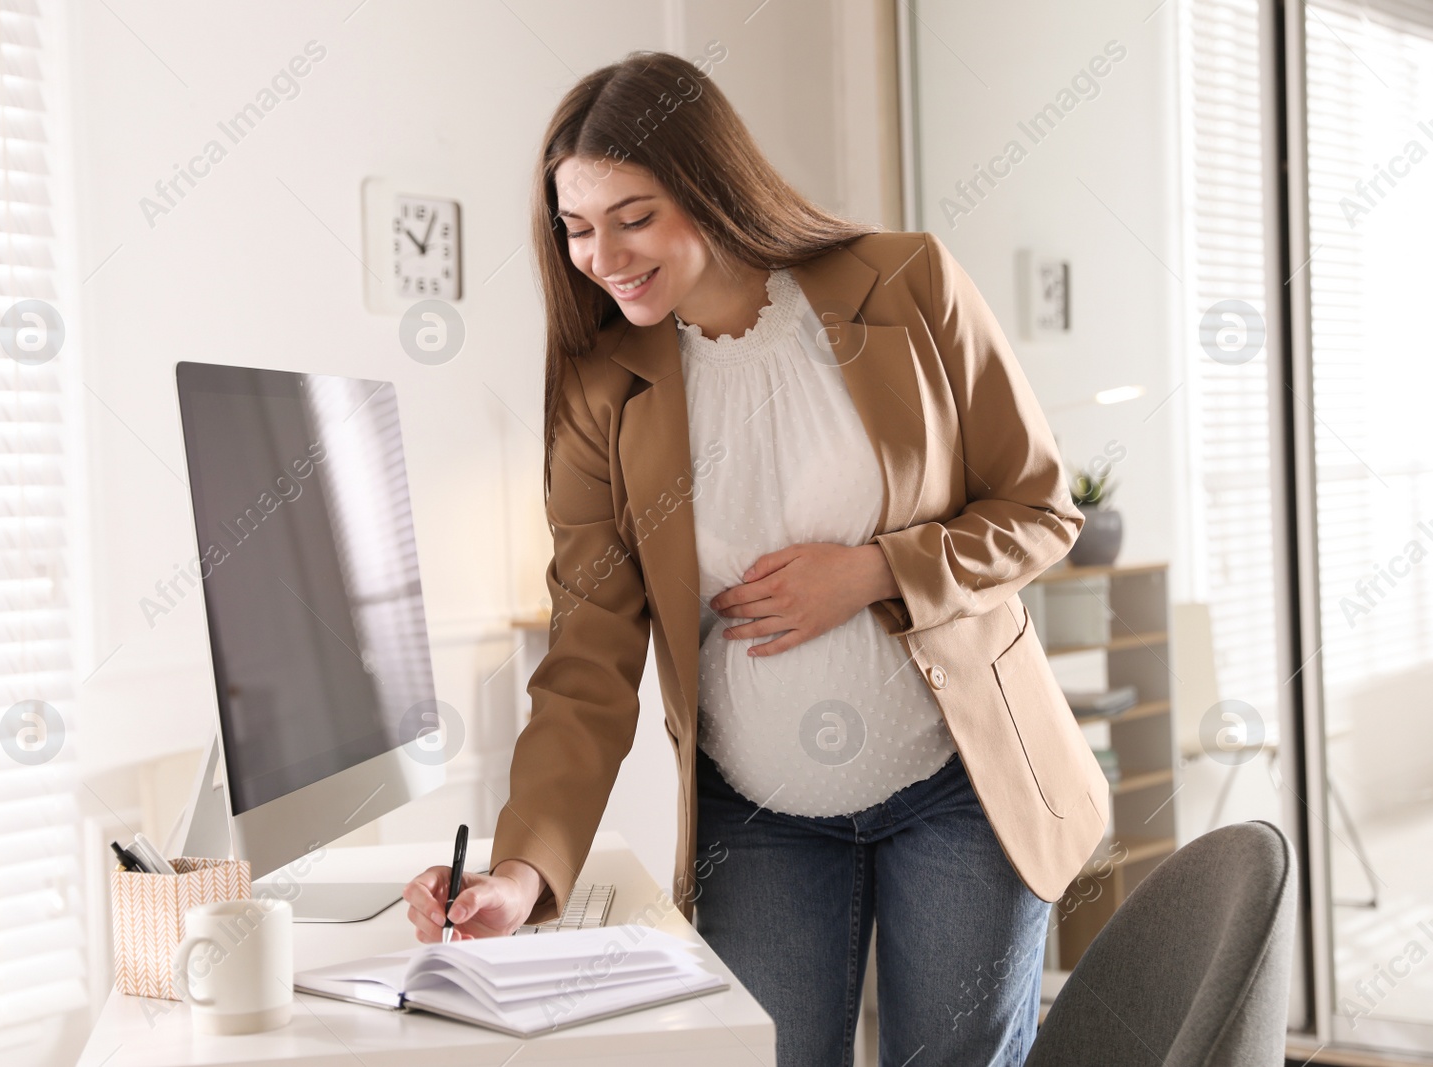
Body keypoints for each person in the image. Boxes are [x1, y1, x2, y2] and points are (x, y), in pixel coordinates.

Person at [402, 50, 1108, 1066]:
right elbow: (587, 654)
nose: (602, 255)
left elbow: (1037, 506)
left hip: (961, 785)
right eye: (577, 227)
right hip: (763, 822)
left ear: (709, 183)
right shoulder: (603, 394)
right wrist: (520, 870)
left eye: (632, 215)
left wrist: (876, 570)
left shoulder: (903, 284)